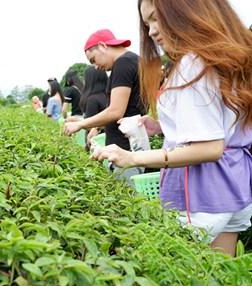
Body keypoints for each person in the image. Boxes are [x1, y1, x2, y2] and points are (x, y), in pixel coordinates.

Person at [92, 0, 252, 256]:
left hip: (201, 193)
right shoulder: (223, 56)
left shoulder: (192, 64)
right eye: (147, 24)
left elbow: (209, 147)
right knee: (222, 276)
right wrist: (161, 126)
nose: (152, 31)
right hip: (234, 186)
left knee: (188, 280)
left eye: (156, 18)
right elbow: (219, 124)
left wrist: (133, 157)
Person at [63, 29, 146, 182]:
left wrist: (81, 124)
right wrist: (98, 126)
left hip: (124, 148)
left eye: (93, 59)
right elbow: (128, 107)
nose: (95, 66)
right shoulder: (134, 60)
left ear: (102, 46)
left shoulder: (123, 63)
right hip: (133, 145)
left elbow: (116, 111)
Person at [79, 67, 108, 145]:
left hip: (96, 141)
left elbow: (89, 123)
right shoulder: (109, 96)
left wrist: (78, 123)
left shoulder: (92, 100)